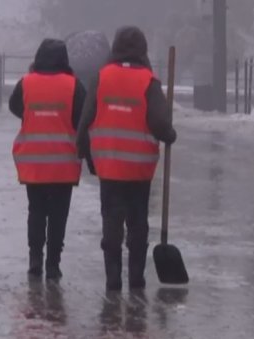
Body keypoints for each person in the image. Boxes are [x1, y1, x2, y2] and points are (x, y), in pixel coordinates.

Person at [77, 26, 177, 291]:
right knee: (137, 222)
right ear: (143, 50)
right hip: (139, 169)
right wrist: (170, 134)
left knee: (111, 221)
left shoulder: (102, 78)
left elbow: (85, 120)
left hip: (108, 167)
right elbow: (159, 122)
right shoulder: (149, 82)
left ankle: (112, 279)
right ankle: (136, 279)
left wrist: (86, 156)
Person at [9, 38, 92, 279]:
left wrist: (34, 117)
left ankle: (35, 258)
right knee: (58, 214)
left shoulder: (26, 83)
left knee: (36, 211)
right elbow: (82, 117)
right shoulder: (74, 85)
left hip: (33, 162)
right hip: (63, 164)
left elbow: (15, 106)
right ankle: (53, 264)